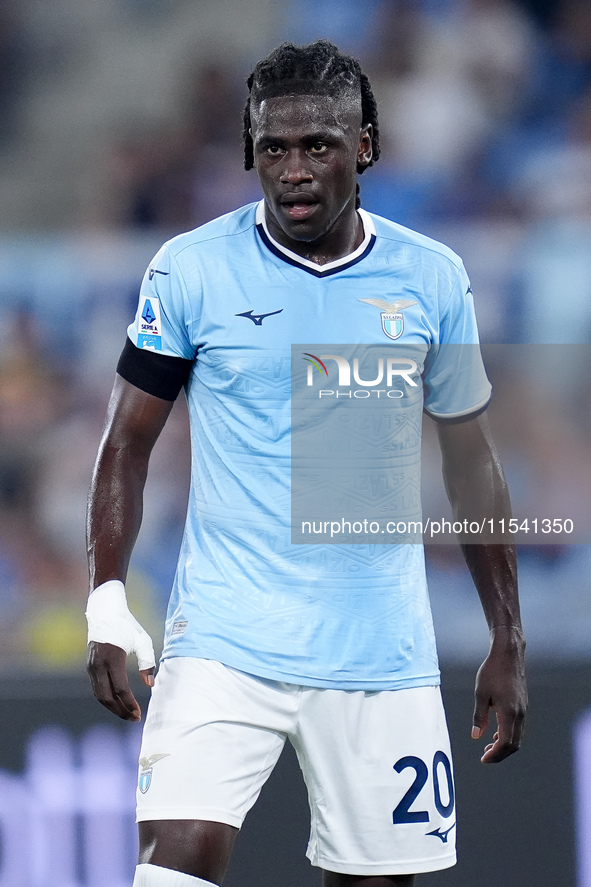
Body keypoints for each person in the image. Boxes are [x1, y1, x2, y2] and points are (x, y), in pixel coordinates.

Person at [86, 40, 527, 887]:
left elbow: (472, 463)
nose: (293, 169)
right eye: (273, 149)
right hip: (223, 642)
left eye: (317, 145)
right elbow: (125, 444)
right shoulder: (190, 269)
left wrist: (505, 636)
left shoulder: (431, 278)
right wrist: (107, 596)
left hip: (379, 655)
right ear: (250, 153)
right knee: (173, 865)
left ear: (363, 147)